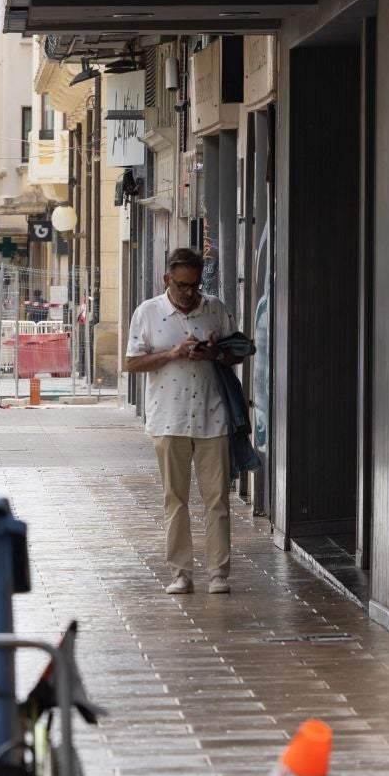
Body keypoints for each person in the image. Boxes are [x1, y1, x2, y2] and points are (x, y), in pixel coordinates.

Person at [123, 247, 241, 595]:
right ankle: (181, 574)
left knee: (217, 499)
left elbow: (238, 353)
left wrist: (214, 353)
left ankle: (218, 573)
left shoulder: (215, 308)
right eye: (182, 285)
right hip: (168, 419)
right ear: (167, 280)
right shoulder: (147, 313)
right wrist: (172, 353)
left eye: (195, 285)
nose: (190, 292)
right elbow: (131, 363)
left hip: (213, 416)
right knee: (175, 499)